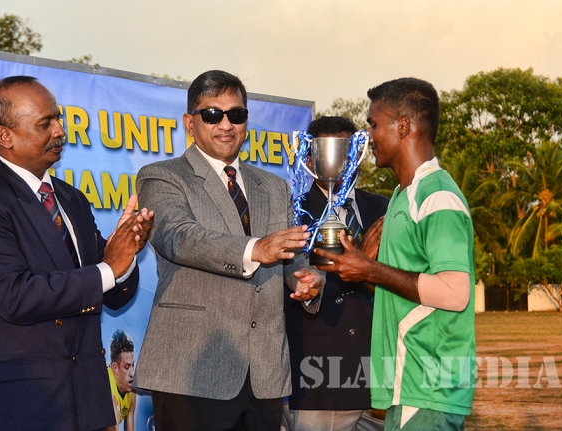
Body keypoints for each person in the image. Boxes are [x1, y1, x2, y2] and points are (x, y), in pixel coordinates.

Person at [0, 76, 153, 431]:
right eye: (45, 123)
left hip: (85, 405)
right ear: (4, 136)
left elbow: (114, 295)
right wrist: (109, 267)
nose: (60, 131)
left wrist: (127, 251)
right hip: (15, 408)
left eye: (58, 119)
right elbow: (15, 295)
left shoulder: (72, 199)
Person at [135, 69, 324, 431]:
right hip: (192, 372)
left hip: (264, 374)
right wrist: (257, 249)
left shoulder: (274, 186)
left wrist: (308, 279)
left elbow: (291, 255)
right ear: (189, 123)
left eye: (236, 114)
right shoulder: (161, 176)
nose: (226, 124)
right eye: (212, 114)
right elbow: (179, 238)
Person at [315, 78, 476, 431]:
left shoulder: (437, 196)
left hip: (429, 386)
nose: (368, 136)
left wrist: (370, 269)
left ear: (402, 127)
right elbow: (403, 293)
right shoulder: (402, 197)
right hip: (408, 386)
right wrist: (361, 271)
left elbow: (455, 293)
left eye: (374, 124)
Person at [284, 116, 388, 431]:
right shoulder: (292, 212)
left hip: (381, 376)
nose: (342, 163)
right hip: (319, 378)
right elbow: (289, 284)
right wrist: (361, 264)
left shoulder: (384, 207)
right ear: (309, 160)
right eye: (333, 153)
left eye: (348, 152)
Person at [107, 330, 137, 431]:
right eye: (127, 367)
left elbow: (130, 418)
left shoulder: (131, 387)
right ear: (115, 368)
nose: (132, 373)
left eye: (132, 366)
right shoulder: (109, 397)